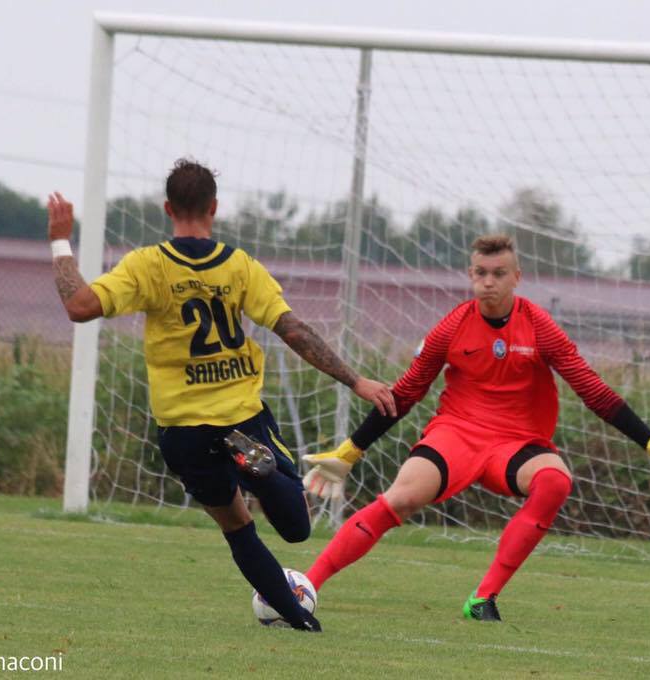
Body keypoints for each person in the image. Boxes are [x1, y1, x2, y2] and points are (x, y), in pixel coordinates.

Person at [48, 158, 396, 632]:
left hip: (183, 430)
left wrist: (60, 238)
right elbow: (293, 330)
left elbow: (79, 306)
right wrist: (357, 381)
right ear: (215, 208)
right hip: (241, 417)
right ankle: (262, 473)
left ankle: (298, 620)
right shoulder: (238, 266)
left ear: (167, 208)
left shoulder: (147, 266)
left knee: (237, 527)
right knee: (296, 528)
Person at [301, 234, 650, 622]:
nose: (488, 282)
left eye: (498, 273)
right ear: (470, 276)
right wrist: (349, 452)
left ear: (517, 277)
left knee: (555, 482)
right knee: (401, 498)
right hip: (456, 434)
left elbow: (594, 392)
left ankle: (483, 598)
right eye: (480, 273)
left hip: (517, 444)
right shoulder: (451, 327)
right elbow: (406, 394)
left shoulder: (539, 326)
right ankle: (304, 587)